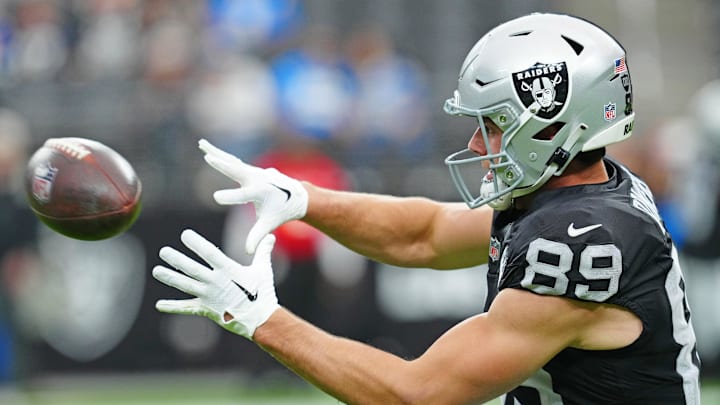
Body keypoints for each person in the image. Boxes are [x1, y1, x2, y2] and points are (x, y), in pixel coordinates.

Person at [152, 13, 701, 404]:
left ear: (552, 125)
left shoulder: (581, 241)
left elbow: (417, 394)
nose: (480, 144)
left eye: (493, 124)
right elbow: (426, 235)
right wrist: (302, 198)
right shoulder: (574, 191)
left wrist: (260, 319)